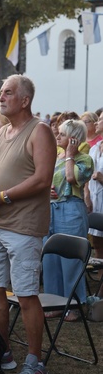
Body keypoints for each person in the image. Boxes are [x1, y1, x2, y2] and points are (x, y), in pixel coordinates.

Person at [0, 74, 56, 374]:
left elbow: (43, 179)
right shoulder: (1, 131)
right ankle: (4, 351)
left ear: (25, 100)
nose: (1, 97)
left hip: (23, 226)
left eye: (8, 93)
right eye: (0, 93)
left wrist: (4, 196)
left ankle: (35, 363)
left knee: (25, 295)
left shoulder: (41, 131)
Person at [42, 119, 93, 320]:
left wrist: (71, 155)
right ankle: (54, 304)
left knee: (70, 261)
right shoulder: (56, 156)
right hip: (52, 210)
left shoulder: (84, 159)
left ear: (73, 138)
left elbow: (72, 179)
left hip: (71, 210)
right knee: (50, 259)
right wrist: (48, 192)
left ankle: (74, 305)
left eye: (62, 134)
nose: (57, 137)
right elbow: (46, 181)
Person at [86, 111, 103, 295]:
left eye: (101, 119)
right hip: (94, 199)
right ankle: (99, 285)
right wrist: (87, 196)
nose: (97, 122)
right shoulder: (94, 148)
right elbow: (87, 177)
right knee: (97, 243)